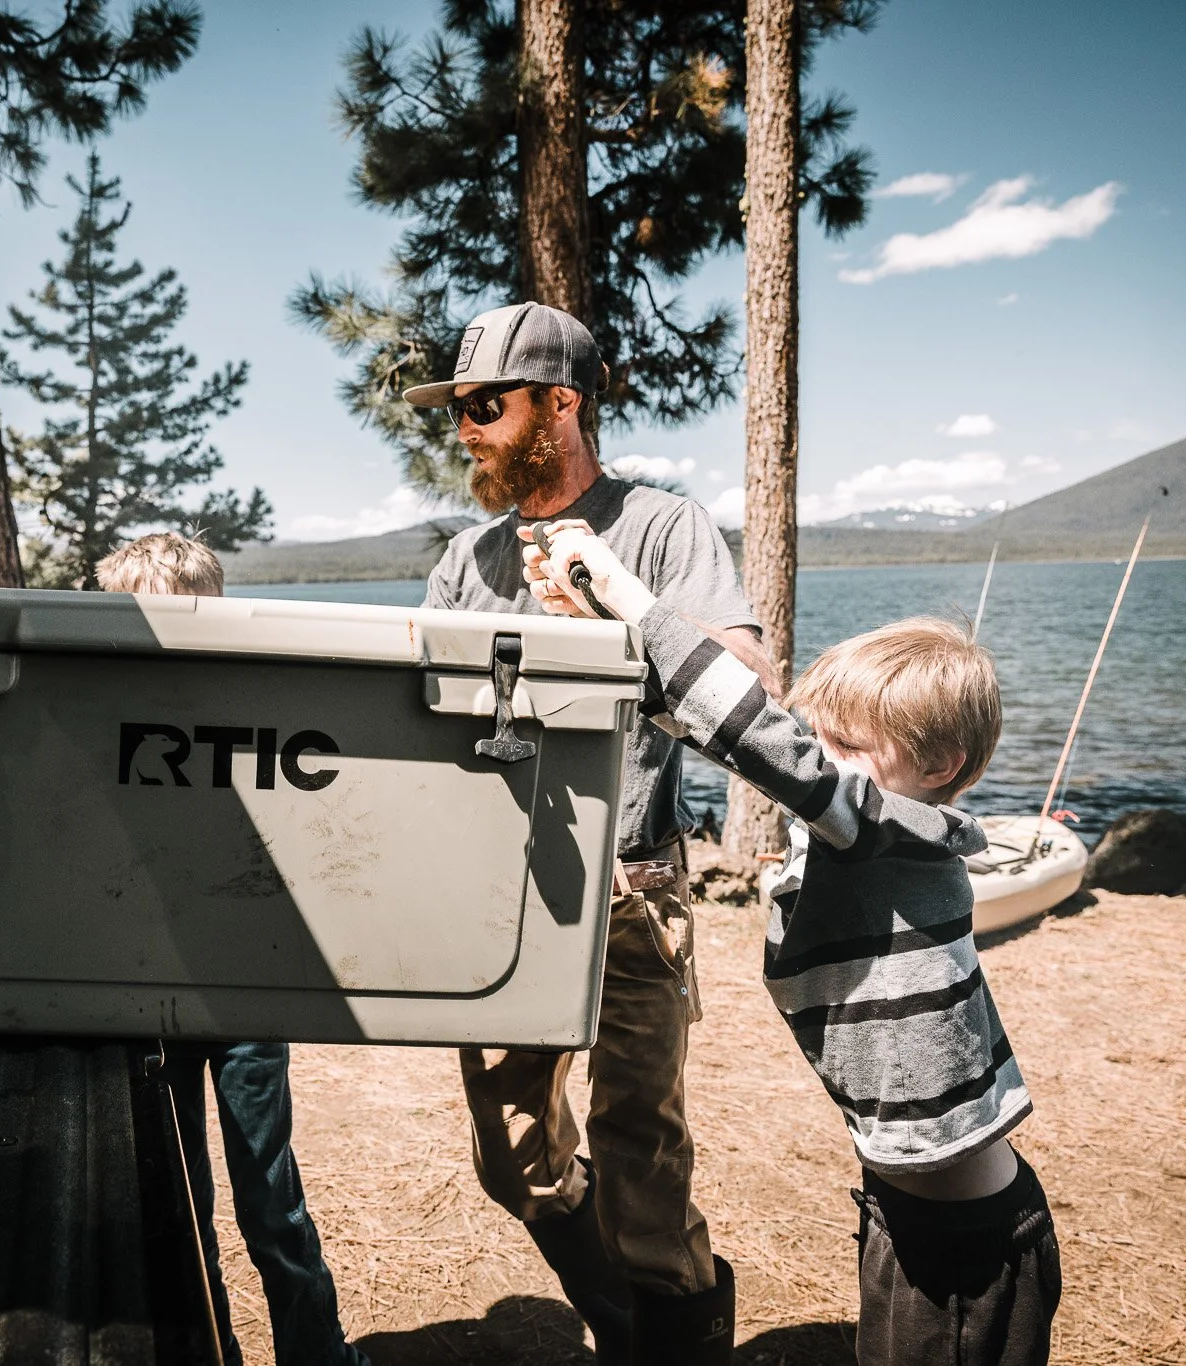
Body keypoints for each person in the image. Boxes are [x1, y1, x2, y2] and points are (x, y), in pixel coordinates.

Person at [526, 522, 1063, 1366]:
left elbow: (772, 749)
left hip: (969, 1242)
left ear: (942, 764)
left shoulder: (900, 834)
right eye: (825, 736)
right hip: (900, 1205)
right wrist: (606, 623)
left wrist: (634, 595)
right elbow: (724, 732)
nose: (826, 759)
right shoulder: (860, 830)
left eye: (851, 746)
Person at [404, 301, 776, 1363]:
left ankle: (665, 1340)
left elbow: (748, 680)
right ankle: (622, 1320)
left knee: (643, 1160)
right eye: (458, 409)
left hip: (633, 891)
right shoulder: (464, 559)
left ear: (558, 404)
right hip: (500, 898)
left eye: (484, 405)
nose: (465, 427)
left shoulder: (659, 527)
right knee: (513, 1155)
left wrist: (616, 614)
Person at [94, 531, 369, 1366]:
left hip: (247, 990)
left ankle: (318, 1356)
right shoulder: (96, 717)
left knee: (270, 1197)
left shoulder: (256, 710)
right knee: (178, 1206)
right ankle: (206, 1350)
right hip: (146, 994)